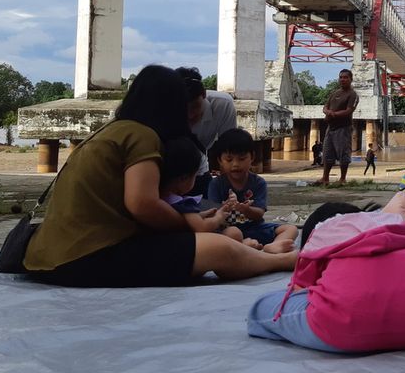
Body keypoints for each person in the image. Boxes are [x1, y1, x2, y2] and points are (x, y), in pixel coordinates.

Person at [23, 64, 296, 287]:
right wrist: (189, 226)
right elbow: (142, 204)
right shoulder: (142, 136)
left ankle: (251, 254)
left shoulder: (113, 130)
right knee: (217, 248)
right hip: (86, 258)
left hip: (52, 257)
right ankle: (282, 261)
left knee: (210, 246)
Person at [247, 204, 405, 353]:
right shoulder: (396, 226)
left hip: (341, 331)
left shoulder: (323, 232)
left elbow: (300, 287)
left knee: (261, 310)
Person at [158, 136, 266, 248]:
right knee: (234, 232)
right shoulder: (184, 204)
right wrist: (218, 217)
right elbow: (202, 227)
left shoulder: (158, 198)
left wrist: (203, 214)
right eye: (195, 176)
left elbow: (189, 219)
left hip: (165, 243)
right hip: (187, 247)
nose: (235, 164)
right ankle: (247, 247)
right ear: (184, 178)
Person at [207, 128, 299, 253]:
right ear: (220, 161)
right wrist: (225, 208)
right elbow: (214, 215)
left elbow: (259, 213)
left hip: (255, 228)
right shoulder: (216, 184)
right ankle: (244, 246)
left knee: (290, 229)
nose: (235, 164)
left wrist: (246, 209)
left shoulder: (258, 182)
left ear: (252, 158)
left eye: (242, 159)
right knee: (233, 233)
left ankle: (274, 246)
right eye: (229, 160)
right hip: (228, 230)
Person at [176, 67, 237, 196]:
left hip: (201, 166)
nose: (190, 115)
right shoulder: (163, 109)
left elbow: (229, 148)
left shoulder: (222, 104)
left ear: (203, 94)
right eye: (182, 109)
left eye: (195, 107)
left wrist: (229, 188)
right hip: (171, 170)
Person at [318, 69, 359, 185]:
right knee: (327, 153)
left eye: (346, 77)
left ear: (351, 79)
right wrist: (328, 112)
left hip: (343, 128)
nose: (343, 79)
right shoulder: (334, 93)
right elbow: (325, 107)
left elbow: (349, 111)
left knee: (343, 153)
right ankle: (325, 178)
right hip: (330, 128)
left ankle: (342, 179)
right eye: (341, 77)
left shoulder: (352, 94)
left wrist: (333, 114)